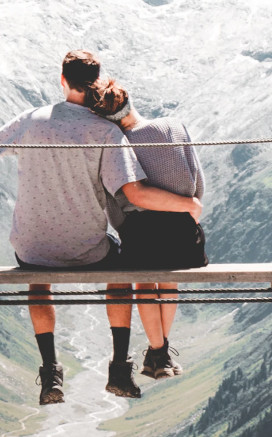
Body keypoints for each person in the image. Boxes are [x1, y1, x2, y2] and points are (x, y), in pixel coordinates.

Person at [0, 50, 202, 405]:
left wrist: (29, 148)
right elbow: (134, 192)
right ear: (96, 82)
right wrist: (188, 205)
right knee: (122, 268)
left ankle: (50, 371)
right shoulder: (105, 131)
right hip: (88, 249)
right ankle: (119, 368)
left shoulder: (32, 119)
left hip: (31, 246)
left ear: (62, 80)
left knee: (37, 276)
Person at [90, 79, 208, 380]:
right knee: (168, 282)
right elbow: (198, 184)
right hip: (184, 235)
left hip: (141, 234)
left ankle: (158, 352)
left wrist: (124, 227)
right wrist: (187, 208)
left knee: (144, 282)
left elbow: (117, 202)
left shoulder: (118, 144)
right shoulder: (174, 127)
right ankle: (160, 352)